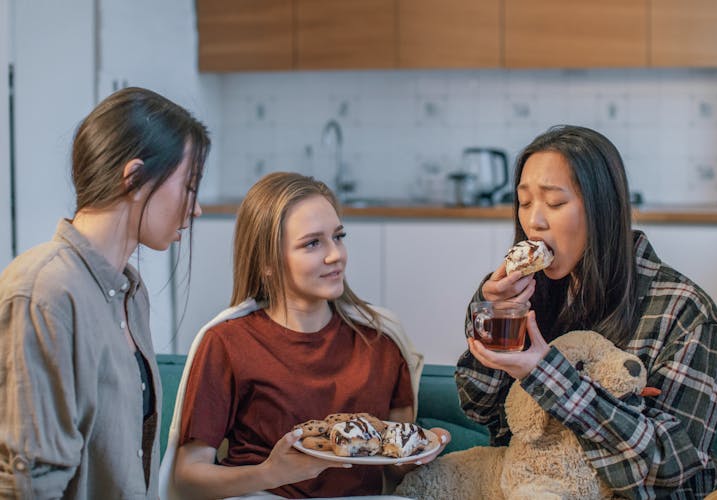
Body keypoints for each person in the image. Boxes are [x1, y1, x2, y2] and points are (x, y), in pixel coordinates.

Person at [455, 125, 717, 498]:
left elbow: (673, 463)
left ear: (603, 209)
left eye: (554, 203)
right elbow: (481, 410)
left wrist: (545, 374)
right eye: (524, 202)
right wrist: (493, 317)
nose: (534, 221)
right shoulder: (524, 295)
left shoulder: (684, 311)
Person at [159, 172, 449, 499]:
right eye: (312, 243)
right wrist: (270, 473)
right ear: (267, 261)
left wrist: (422, 450)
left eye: (338, 236)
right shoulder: (227, 342)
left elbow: (393, 465)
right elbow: (187, 477)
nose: (335, 254)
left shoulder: (381, 340)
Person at [0, 87, 210, 498]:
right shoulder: (44, 292)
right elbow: (29, 486)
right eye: (190, 186)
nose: (196, 207)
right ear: (134, 178)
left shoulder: (131, 293)